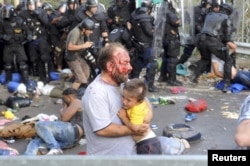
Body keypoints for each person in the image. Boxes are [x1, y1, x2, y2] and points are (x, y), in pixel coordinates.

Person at [82, 42, 150, 155]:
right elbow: (103, 130)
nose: (130, 67)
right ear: (110, 66)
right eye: (125, 63)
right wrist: (136, 128)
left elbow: (144, 102)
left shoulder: (126, 84)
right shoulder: (96, 93)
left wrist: (146, 118)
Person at [23, 88, 84, 155]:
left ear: (69, 97)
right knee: (36, 142)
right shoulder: (76, 104)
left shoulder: (76, 101)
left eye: (64, 98)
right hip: (71, 141)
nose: (63, 101)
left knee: (39, 124)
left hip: (74, 130)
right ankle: (25, 159)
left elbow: (64, 118)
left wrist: (64, 107)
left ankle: (55, 148)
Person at [192, 0, 233, 93]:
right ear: (228, 12)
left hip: (201, 40)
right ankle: (226, 84)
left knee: (205, 59)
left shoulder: (209, 15)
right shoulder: (226, 18)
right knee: (228, 59)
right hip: (212, 41)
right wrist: (225, 43)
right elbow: (227, 36)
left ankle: (194, 76)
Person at [118, 78, 161, 154]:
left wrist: (124, 118)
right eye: (123, 97)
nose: (124, 102)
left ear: (139, 101)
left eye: (128, 100)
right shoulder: (139, 103)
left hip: (147, 145)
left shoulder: (136, 109)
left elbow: (135, 128)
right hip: (148, 143)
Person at [129, 0, 159, 92]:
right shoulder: (145, 18)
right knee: (152, 64)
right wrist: (155, 30)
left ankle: (133, 85)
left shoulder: (134, 15)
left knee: (137, 65)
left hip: (137, 43)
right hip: (146, 45)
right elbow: (150, 32)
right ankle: (148, 85)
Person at [0, 4, 31, 87]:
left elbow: (27, 31)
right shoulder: (3, 22)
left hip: (18, 45)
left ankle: (25, 81)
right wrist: (4, 37)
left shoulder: (19, 21)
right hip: (8, 45)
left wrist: (27, 37)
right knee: (7, 65)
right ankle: (8, 80)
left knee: (23, 64)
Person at [65, 18, 94, 90]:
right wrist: (84, 45)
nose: (91, 32)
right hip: (72, 57)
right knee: (81, 79)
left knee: (86, 73)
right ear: (84, 29)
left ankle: (67, 76)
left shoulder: (82, 32)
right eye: (89, 30)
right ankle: (71, 95)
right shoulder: (76, 32)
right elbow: (70, 47)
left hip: (78, 56)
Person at [158, 0, 183, 86]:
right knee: (172, 59)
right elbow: (176, 22)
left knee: (165, 58)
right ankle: (172, 79)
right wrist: (181, 18)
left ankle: (163, 76)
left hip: (165, 38)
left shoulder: (161, 12)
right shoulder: (169, 12)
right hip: (171, 38)